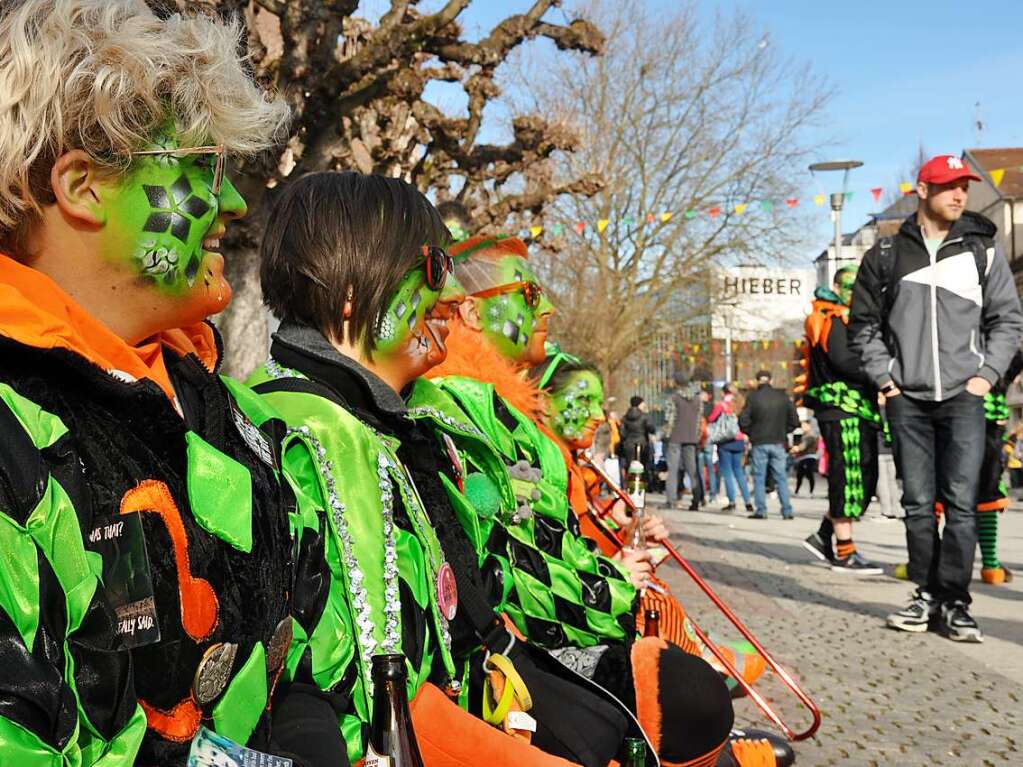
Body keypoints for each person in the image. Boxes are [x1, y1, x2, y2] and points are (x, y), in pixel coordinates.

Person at [0, 3, 348, 765]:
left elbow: (307, 657)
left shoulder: (227, 412)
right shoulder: (11, 439)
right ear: (83, 185)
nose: (230, 204)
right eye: (201, 168)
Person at [250, 171, 622, 767]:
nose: (450, 299)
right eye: (431, 272)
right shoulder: (299, 434)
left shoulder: (395, 421)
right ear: (353, 293)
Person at [427, 235, 790, 767]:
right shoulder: (460, 409)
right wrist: (621, 585)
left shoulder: (503, 414)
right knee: (679, 680)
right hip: (510, 652)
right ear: (472, 314)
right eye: (529, 294)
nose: (547, 307)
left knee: (680, 670)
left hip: (544, 628)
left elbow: (553, 542)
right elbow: (516, 569)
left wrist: (619, 550)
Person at [849, 154, 1023, 642]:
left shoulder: (982, 252)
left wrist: (986, 375)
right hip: (907, 398)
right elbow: (863, 327)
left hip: (965, 397)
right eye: (948, 186)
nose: (960, 195)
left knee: (962, 505)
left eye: (963, 186)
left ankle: (956, 603)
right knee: (918, 504)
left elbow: (1008, 320)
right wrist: (886, 380)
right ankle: (926, 594)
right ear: (922, 190)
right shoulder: (885, 256)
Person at [800, 265, 884, 574]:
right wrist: (884, 372)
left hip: (859, 407)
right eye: (851, 287)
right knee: (849, 474)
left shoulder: (852, 318)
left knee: (863, 475)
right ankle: (844, 552)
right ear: (838, 287)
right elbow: (845, 361)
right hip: (840, 406)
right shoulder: (832, 318)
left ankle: (824, 535)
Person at [738, 371, 798, 519]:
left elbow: (743, 421)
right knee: (781, 477)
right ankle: (787, 510)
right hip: (778, 441)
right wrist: (784, 430)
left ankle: (761, 510)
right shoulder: (783, 397)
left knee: (759, 477)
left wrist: (752, 433)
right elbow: (794, 421)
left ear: (758, 381)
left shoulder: (752, 398)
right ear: (771, 381)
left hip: (759, 441)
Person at [708, 384, 753, 513]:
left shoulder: (721, 405)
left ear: (724, 393)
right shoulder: (740, 403)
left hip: (725, 441)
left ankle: (732, 502)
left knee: (727, 473)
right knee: (739, 472)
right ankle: (748, 502)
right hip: (738, 441)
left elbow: (711, 418)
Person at [663, 373, 704, 511]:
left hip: (675, 437)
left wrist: (666, 436)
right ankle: (696, 499)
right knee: (692, 471)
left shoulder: (673, 398)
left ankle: (671, 500)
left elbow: (670, 419)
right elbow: (699, 420)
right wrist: (696, 436)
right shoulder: (698, 399)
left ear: (676, 383)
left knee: (673, 470)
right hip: (691, 438)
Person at [620, 395, 656, 485]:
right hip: (642, 444)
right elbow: (652, 429)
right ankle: (641, 485)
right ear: (639, 404)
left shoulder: (625, 417)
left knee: (630, 466)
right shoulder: (644, 416)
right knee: (642, 466)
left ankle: (630, 485)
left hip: (628, 445)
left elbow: (622, 432)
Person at [698, 387, 720, 504]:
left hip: (700, 439)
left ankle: (703, 494)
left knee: (700, 469)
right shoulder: (712, 407)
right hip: (710, 439)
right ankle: (713, 493)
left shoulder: (697, 408)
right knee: (711, 468)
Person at [791, 421, 819, 496]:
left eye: (804, 425)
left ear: (809, 425)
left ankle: (811, 491)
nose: (802, 428)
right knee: (800, 475)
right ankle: (797, 491)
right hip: (803, 457)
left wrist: (795, 449)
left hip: (809, 457)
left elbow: (803, 446)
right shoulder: (805, 435)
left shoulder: (810, 436)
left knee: (808, 474)